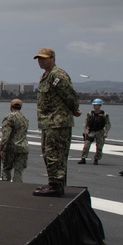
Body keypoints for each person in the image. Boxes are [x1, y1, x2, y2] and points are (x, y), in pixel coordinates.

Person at [33, 47, 81, 196]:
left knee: (55, 154)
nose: (40, 61)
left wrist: (74, 109)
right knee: (48, 154)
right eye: (39, 58)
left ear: (52, 58)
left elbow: (70, 95)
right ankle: (53, 183)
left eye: (43, 58)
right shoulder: (46, 76)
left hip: (58, 122)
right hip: (49, 122)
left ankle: (56, 185)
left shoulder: (57, 75)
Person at [0, 99, 29, 182]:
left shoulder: (9, 117)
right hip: (23, 148)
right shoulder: (25, 119)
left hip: (11, 148)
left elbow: (6, 135)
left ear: (11, 106)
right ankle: (17, 188)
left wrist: (2, 148)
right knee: (18, 172)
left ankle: (6, 188)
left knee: (6, 169)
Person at [79, 98, 111, 165]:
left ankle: (96, 159)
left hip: (100, 132)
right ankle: (83, 158)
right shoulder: (90, 114)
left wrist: (106, 132)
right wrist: (86, 130)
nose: (94, 106)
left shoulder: (104, 114)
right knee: (86, 145)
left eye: (96, 105)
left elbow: (108, 124)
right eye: (94, 105)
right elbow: (85, 122)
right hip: (91, 131)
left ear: (99, 105)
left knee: (99, 146)